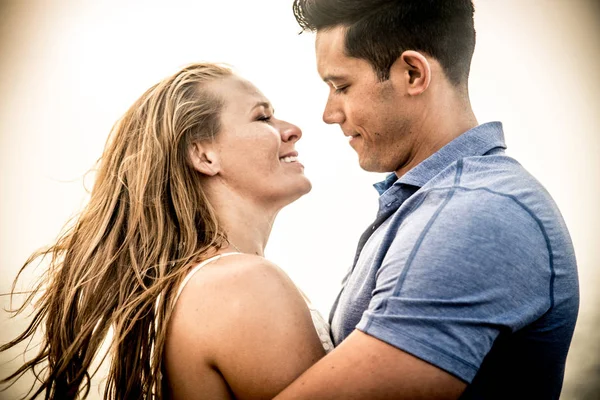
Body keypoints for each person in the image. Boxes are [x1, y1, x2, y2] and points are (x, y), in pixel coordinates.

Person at [274, 0, 580, 399]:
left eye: (341, 86)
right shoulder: (436, 203)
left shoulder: (477, 213)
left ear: (413, 73)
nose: (329, 113)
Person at [0, 62, 333, 400]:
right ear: (204, 155)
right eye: (263, 117)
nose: (292, 130)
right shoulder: (242, 283)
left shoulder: (199, 282)